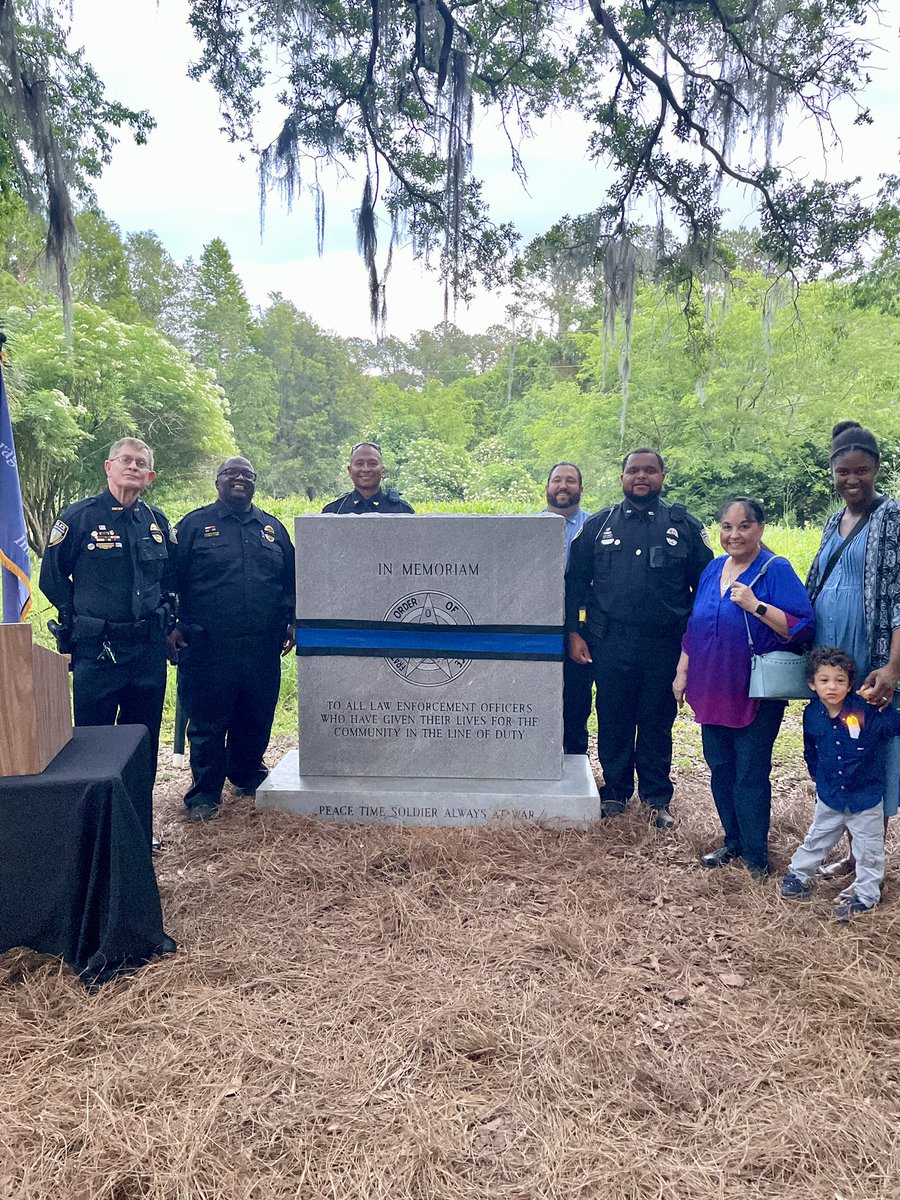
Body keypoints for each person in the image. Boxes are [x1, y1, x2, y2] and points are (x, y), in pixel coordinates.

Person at [566, 449, 712, 827]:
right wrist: (574, 632)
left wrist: (692, 643)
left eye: (650, 470)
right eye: (633, 471)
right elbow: (575, 583)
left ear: (663, 476)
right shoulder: (599, 526)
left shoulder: (684, 527)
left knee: (656, 720)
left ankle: (656, 797)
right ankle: (614, 792)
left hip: (665, 643)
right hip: (610, 640)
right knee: (613, 716)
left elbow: (708, 585)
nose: (641, 477)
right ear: (622, 478)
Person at [674, 497, 815, 876]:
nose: (734, 534)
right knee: (720, 767)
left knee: (750, 772)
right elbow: (695, 625)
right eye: (727, 526)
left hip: (754, 689)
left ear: (760, 529)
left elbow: (802, 627)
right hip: (710, 683)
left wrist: (755, 605)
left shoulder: (775, 570)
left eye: (744, 526)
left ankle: (755, 855)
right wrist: (682, 672)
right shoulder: (713, 569)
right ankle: (732, 841)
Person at [39, 437, 175, 783]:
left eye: (140, 463)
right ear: (108, 468)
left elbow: (172, 578)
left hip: (147, 652)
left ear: (150, 476)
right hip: (98, 652)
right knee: (93, 746)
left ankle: (140, 833)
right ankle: (99, 833)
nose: (133, 467)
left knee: (142, 744)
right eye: (125, 460)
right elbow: (52, 578)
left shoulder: (156, 522)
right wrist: (81, 616)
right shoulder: (79, 518)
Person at [169, 456, 295, 822]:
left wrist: (291, 621)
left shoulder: (272, 529)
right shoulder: (193, 526)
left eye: (247, 475)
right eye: (231, 474)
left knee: (255, 715)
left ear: (255, 483)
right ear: (218, 481)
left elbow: (290, 583)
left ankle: (247, 775)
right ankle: (205, 794)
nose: (239, 479)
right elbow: (169, 579)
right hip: (208, 645)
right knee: (208, 722)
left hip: (261, 645)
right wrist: (173, 625)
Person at [805, 420, 900, 879]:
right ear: (833, 472)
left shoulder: (892, 517)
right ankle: (851, 846)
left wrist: (893, 665)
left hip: (870, 654)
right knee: (836, 746)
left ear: (876, 469)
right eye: (844, 472)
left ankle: (867, 853)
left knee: (869, 750)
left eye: (861, 471)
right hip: (831, 659)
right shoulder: (831, 521)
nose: (853, 481)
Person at [779, 647, 900, 920]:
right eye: (824, 680)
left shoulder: (869, 713)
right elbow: (810, 748)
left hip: (865, 797)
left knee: (869, 850)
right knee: (817, 839)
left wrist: (883, 702)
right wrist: (816, 776)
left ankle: (866, 894)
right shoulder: (812, 715)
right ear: (812, 683)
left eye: (840, 680)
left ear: (850, 685)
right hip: (830, 794)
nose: (832, 686)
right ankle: (799, 876)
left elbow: (894, 724)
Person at [544, 462, 593, 755]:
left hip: (580, 623)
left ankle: (575, 760)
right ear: (547, 486)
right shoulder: (527, 527)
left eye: (571, 480)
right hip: (534, 624)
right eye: (557, 480)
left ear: (581, 489)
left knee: (576, 698)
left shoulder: (595, 527)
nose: (563, 486)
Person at [322, 442, 415, 513]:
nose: (366, 469)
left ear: (383, 471)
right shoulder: (335, 511)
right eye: (359, 464)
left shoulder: (402, 510)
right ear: (350, 471)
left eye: (372, 464)